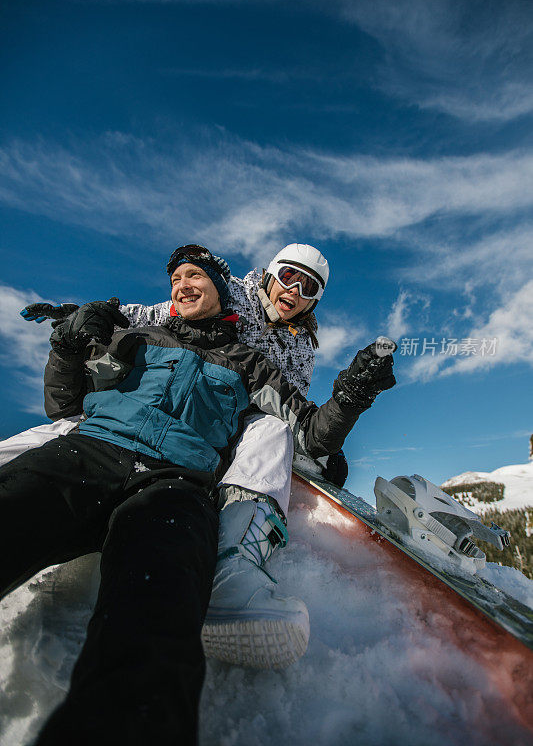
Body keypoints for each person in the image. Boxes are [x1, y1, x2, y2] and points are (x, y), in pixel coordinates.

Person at [0, 245, 395, 744]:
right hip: (93, 451)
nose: (293, 292)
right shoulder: (141, 336)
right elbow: (67, 401)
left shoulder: (256, 363)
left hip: (176, 480)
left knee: (160, 609)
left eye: (308, 287)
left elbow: (304, 425)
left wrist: (348, 401)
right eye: (178, 278)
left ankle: (235, 559)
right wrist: (68, 334)